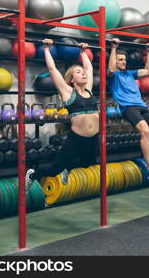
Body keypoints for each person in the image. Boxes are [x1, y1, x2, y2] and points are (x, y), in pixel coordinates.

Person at [25, 39, 99, 191]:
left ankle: (68, 169)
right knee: (54, 170)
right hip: (76, 138)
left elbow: (89, 69)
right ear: (72, 80)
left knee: (87, 163)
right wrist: (46, 48)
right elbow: (52, 69)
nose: (83, 73)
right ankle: (33, 175)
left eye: (82, 72)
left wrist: (83, 52)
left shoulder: (89, 90)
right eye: (78, 72)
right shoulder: (67, 92)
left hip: (93, 137)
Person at [108, 38, 149, 180]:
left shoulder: (130, 73)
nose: (123, 62)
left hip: (141, 106)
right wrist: (113, 48)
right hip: (128, 107)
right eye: (120, 60)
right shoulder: (112, 76)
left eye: (124, 59)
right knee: (144, 130)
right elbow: (111, 68)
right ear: (115, 60)